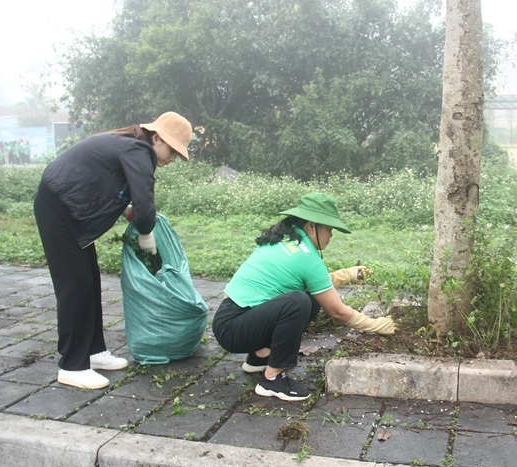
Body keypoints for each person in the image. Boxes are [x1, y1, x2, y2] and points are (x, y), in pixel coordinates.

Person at [33, 111, 192, 389]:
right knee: (75, 287)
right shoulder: (138, 149)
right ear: (157, 138)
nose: (172, 158)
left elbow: (106, 181)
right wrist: (146, 232)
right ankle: (71, 365)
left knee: (90, 281)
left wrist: (127, 209)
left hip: (69, 210)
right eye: (172, 150)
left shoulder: (132, 143)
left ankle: (93, 352)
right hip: (59, 209)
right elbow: (144, 196)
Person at [212, 192, 398, 402]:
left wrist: (346, 275)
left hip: (231, 319)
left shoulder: (286, 240)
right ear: (312, 226)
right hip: (234, 329)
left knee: (309, 300)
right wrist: (376, 325)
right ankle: (272, 379)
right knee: (298, 302)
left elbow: (313, 283)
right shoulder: (307, 256)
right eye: (329, 229)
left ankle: (259, 357)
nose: (331, 235)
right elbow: (337, 311)